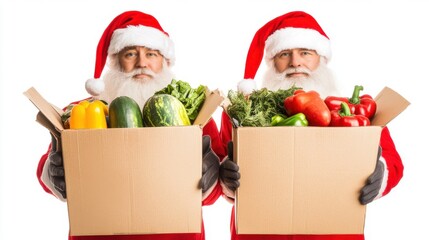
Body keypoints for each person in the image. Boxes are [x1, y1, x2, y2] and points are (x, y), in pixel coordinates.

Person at [37, 10, 226, 240]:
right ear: (115, 62)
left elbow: (217, 190)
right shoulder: (83, 111)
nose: (142, 63)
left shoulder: (195, 116)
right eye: (130, 54)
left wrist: (213, 175)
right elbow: (48, 168)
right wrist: (50, 173)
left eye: (151, 54)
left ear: (165, 62)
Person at [218, 11, 404, 240]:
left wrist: (381, 174)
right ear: (272, 62)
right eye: (284, 54)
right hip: (262, 233)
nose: (295, 62)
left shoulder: (353, 111)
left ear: (321, 58)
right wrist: (224, 177)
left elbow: (393, 161)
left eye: (305, 52)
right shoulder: (241, 114)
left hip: (332, 233)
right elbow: (214, 166)